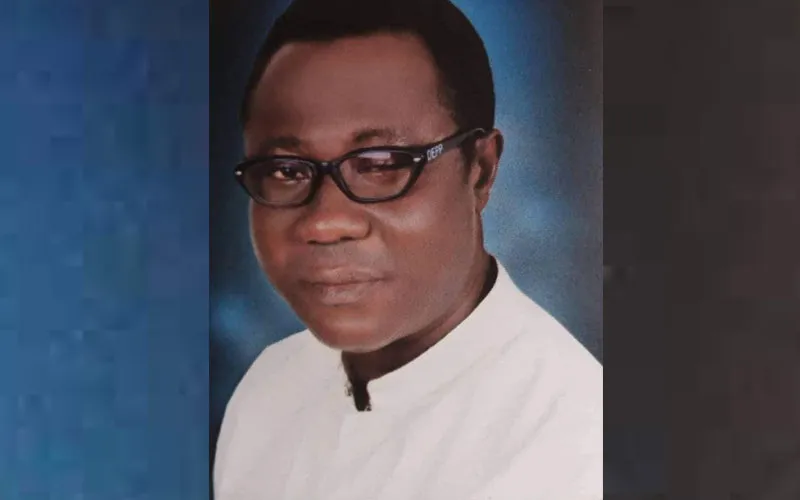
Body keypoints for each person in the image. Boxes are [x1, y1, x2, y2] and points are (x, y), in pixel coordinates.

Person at [213, 0, 602, 498]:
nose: (326, 222)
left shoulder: (570, 440)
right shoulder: (265, 393)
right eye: (286, 171)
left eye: (381, 164)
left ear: (481, 170)